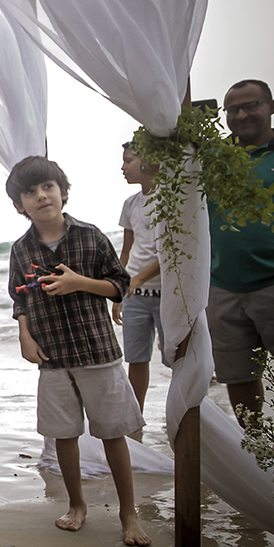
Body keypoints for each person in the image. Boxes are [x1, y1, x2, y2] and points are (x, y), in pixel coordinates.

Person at [5, 155, 149, 546]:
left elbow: (120, 285)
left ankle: (128, 513)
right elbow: (19, 297)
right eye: (30, 192)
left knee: (113, 434)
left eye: (48, 187)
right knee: (63, 436)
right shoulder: (20, 250)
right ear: (19, 205)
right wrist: (24, 335)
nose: (41, 196)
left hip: (97, 352)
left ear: (63, 192)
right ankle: (76, 504)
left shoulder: (90, 236)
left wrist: (79, 282)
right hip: (52, 358)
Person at [208, 79, 274, 426]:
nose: (240, 115)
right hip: (223, 288)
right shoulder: (212, 160)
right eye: (232, 109)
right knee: (237, 378)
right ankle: (256, 447)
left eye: (250, 106)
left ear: (271, 107)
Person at [114, 141, 162, 415]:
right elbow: (126, 251)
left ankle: (185, 416)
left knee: (176, 359)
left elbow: (173, 253)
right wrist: (119, 289)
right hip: (135, 295)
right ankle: (136, 419)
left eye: (128, 160)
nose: (123, 167)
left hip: (167, 294)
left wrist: (140, 279)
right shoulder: (130, 204)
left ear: (149, 161)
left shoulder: (172, 199)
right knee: (136, 359)